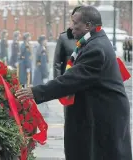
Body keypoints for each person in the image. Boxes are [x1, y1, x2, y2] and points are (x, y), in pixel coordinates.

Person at [16, 6, 132, 160]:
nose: (71, 27)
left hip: (104, 115)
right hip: (96, 111)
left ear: (88, 25)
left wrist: (36, 92)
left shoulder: (96, 48)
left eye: (74, 23)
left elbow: (71, 79)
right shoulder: (93, 41)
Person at [53, 7, 78, 117]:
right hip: (68, 83)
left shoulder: (90, 37)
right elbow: (57, 63)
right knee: (69, 116)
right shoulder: (64, 37)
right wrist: (58, 85)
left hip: (85, 83)